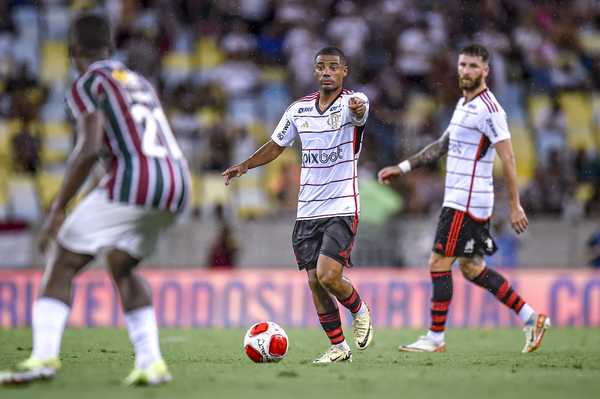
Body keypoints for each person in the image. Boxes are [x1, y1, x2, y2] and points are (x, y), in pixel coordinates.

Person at [1, 12, 190, 386]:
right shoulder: (139, 82)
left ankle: (42, 359)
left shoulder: (89, 82)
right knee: (122, 264)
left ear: (74, 50)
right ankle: (151, 363)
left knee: (62, 261)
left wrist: (58, 209)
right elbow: (119, 151)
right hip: (176, 183)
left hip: (136, 181)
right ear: (110, 46)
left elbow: (88, 150)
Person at [378, 44, 550, 353]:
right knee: (472, 268)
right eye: (462, 65)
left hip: (466, 202)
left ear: (486, 70)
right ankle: (530, 317)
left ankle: (435, 338)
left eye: (473, 66)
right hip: (463, 199)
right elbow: (441, 145)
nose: (466, 71)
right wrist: (402, 167)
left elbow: (509, 158)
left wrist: (514, 204)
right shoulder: (463, 104)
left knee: (437, 263)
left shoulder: (490, 109)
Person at [223, 46, 373, 363]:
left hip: (341, 206)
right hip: (306, 210)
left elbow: (361, 112)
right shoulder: (298, 111)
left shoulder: (353, 102)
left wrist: (359, 108)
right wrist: (245, 165)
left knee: (328, 276)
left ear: (344, 71)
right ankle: (338, 347)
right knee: (314, 282)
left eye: (334, 67)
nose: (327, 72)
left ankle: (359, 310)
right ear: (315, 71)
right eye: (322, 67)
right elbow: (277, 145)